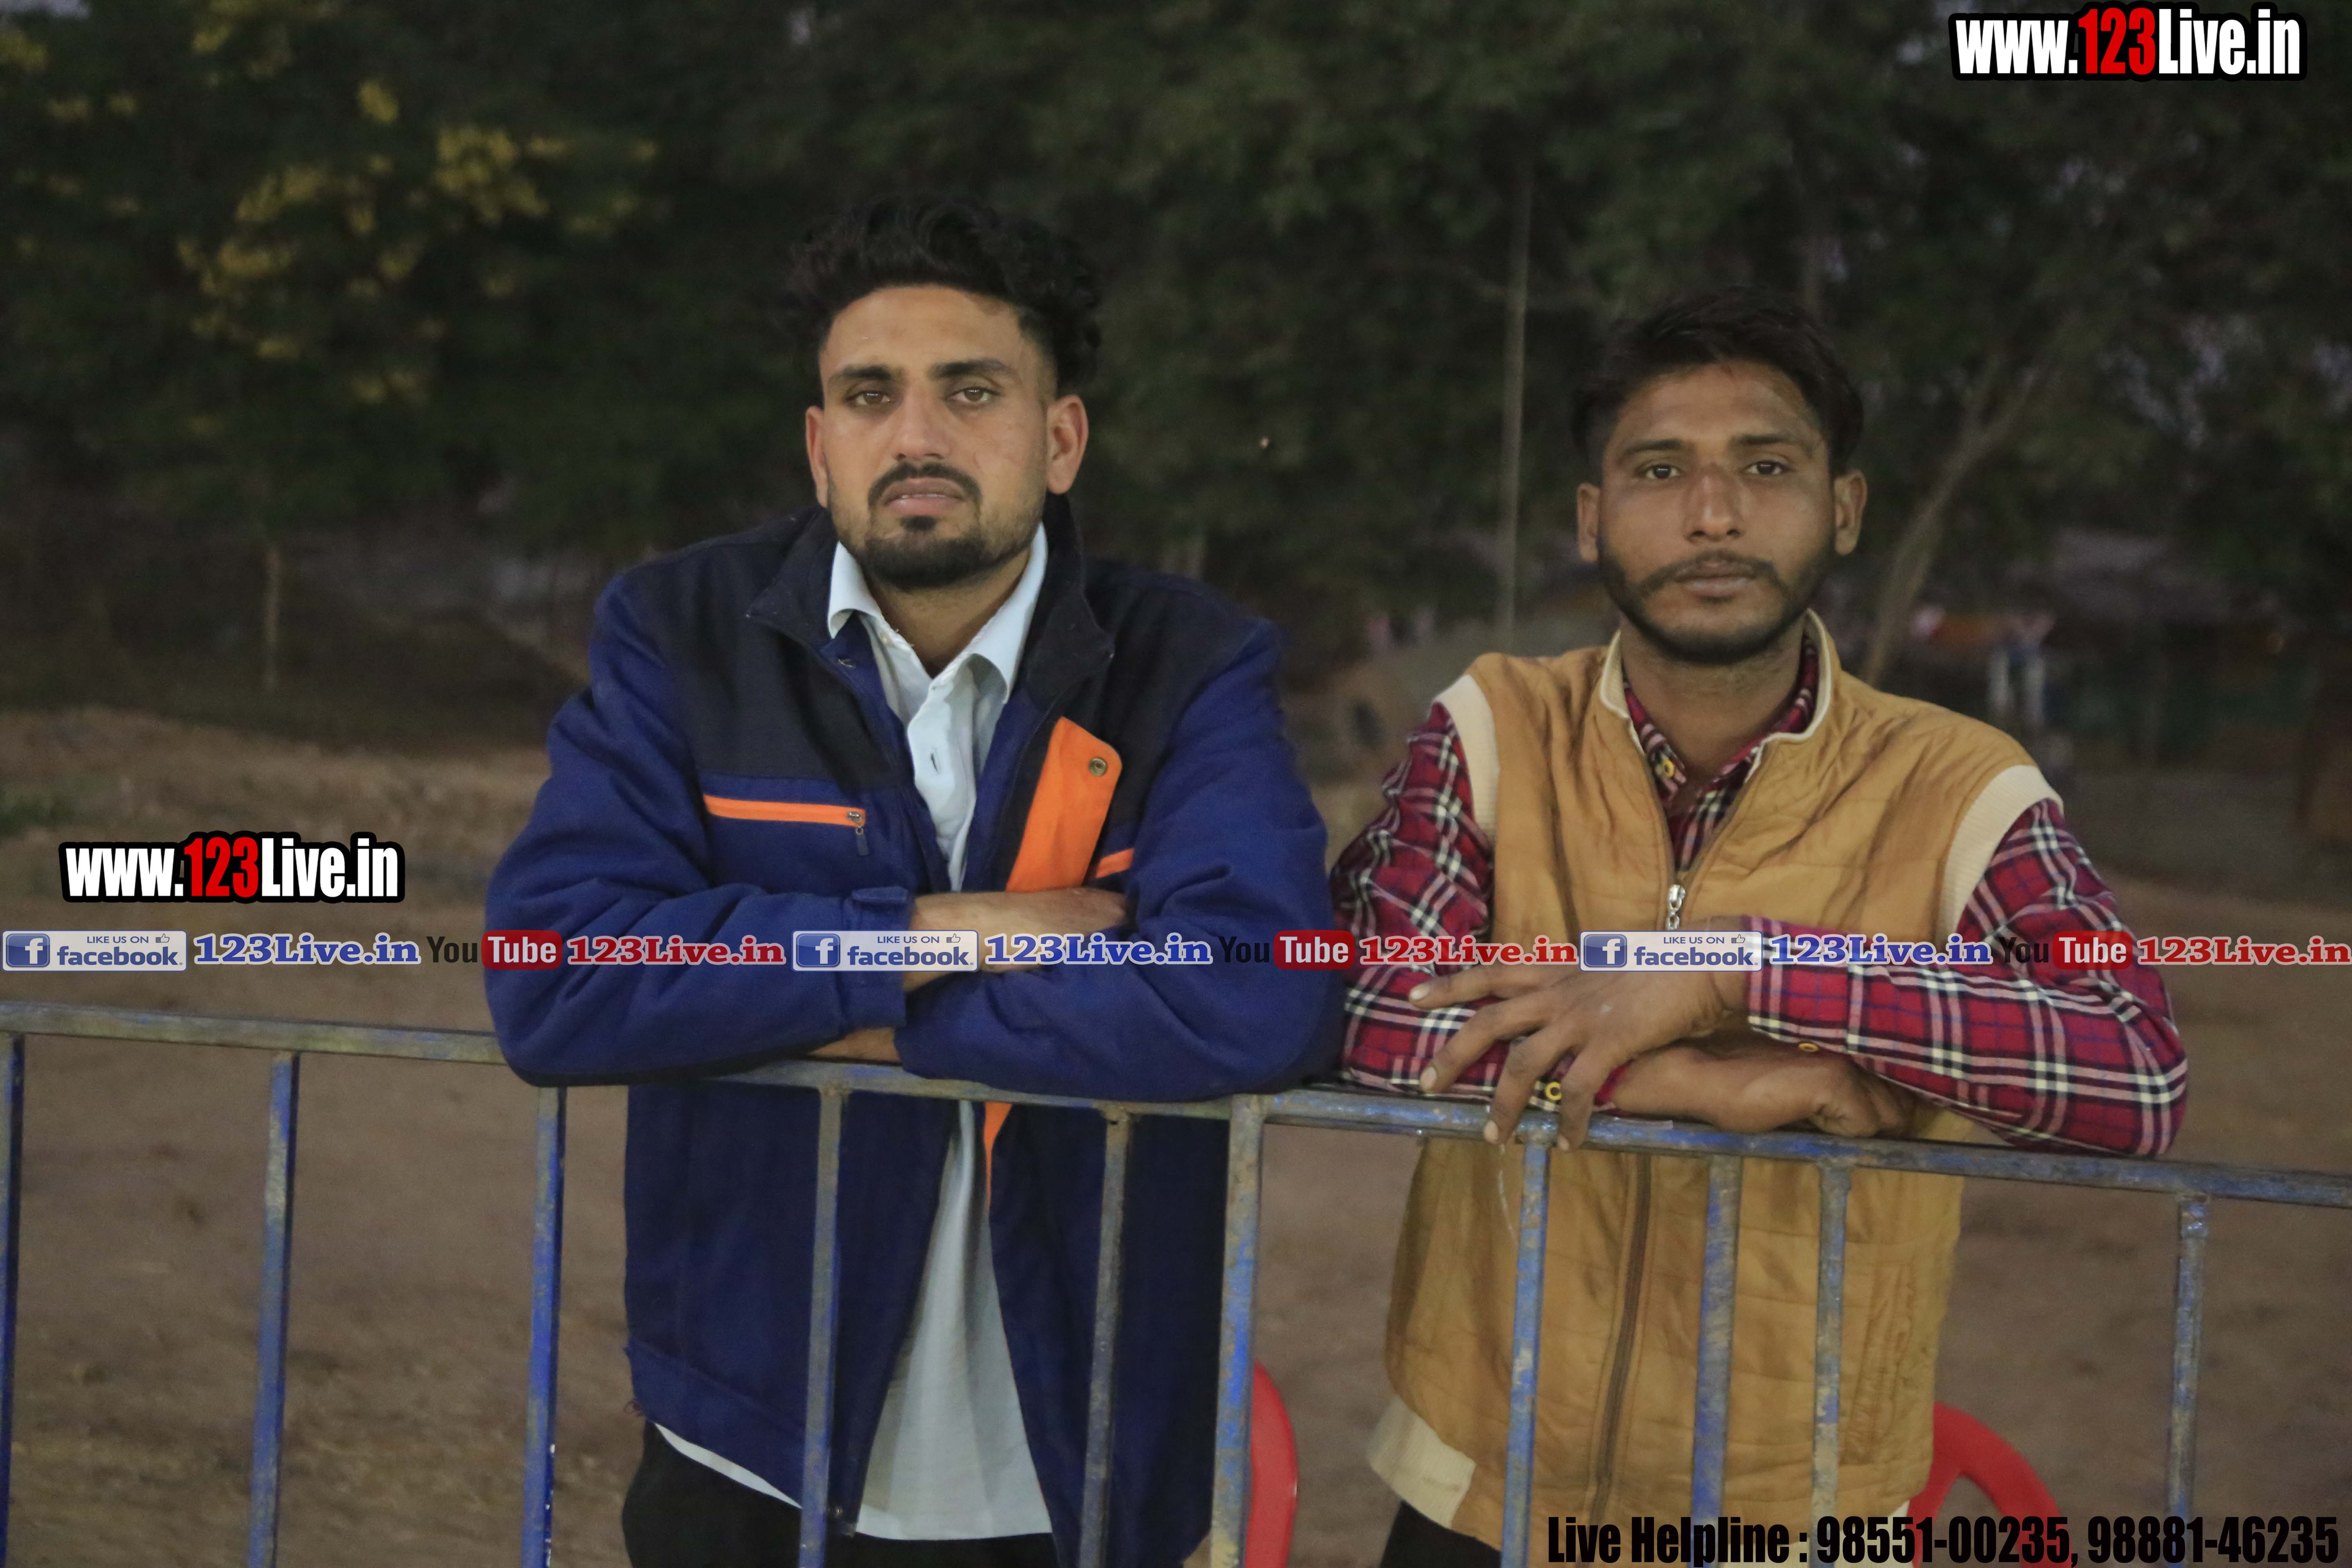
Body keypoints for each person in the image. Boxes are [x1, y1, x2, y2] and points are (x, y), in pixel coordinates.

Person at [486, 195, 1339, 1568]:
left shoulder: (1188, 662)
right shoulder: (683, 633)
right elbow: (555, 977)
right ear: (820, 445)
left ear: (1060, 440)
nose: (917, 436)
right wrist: (945, 931)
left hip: (1071, 1454)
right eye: (870, 396)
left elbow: (1258, 992)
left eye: (972, 391)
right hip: (748, 1435)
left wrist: (857, 1016)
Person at [1330, 287, 2186, 1558]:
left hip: (1802, 1507)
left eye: (1766, 467)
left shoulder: (1962, 781)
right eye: (1660, 469)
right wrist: (1704, 1084)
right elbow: (1379, 1016)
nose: (1714, 514)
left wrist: (1749, 971)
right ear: (1592, 517)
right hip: (1481, 1479)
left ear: (1844, 506)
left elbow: (2134, 1066)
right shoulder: (1495, 724)